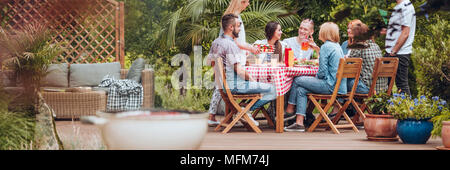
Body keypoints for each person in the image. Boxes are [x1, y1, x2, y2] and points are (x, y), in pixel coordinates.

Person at [208, 14, 276, 127]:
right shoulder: (231, 45)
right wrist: (252, 79)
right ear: (231, 27)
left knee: (262, 87)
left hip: (224, 87)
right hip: (236, 85)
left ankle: (244, 109)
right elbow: (239, 70)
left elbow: (211, 62)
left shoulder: (216, 42)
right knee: (274, 89)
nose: (240, 29)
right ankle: (245, 111)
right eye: (238, 26)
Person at [284, 22, 347, 132]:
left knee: (298, 79)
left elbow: (322, 72)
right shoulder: (336, 45)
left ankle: (289, 110)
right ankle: (299, 123)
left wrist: (315, 79)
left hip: (330, 86)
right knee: (301, 89)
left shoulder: (326, 47)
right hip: (339, 87)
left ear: (325, 33)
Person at [207, 0, 259, 126]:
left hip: (230, 56)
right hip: (232, 58)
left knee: (220, 85)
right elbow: (234, 41)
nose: (248, 5)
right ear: (241, 2)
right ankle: (242, 113)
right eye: (247, 2)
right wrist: (250, 49)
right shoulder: (235, 18)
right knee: (229, 84)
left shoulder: (229, 16)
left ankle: (229, 116)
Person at [384, 0, 416, 95]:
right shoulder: (399, 6)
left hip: (399, 53)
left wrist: (394, 51)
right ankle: (384, 109)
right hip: (392, 52)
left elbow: (405, 32)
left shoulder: (405, 7)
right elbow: (398, 30)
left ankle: (407, 109)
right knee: (384, 85)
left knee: (402, 85)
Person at [347, 22, 387, 94]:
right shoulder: (375, 45)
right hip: (382, 88)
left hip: (368, 88)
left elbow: (347, 66)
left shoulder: (358, 47)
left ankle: (341, 103)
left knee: (341, 81)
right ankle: (349, 104)